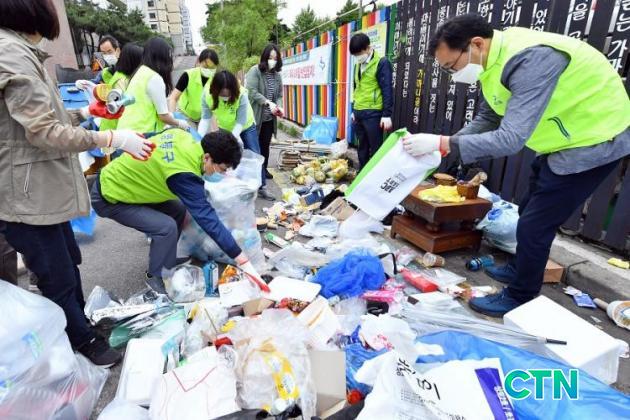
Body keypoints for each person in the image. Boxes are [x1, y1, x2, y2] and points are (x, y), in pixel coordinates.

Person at [403, 13, 630, 317]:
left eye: (451, 66)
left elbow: (510, 139)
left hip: (594, 140)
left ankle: (521, 295)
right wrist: (446, 145)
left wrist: (442, 142)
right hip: (562, 139)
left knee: (537, 223)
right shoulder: (491, 62)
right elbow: (489, 117)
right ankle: (519, 267)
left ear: (476, 44)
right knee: (527, 207)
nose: (453, 74)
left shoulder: (531, 60)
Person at [0, 0, 154, 367]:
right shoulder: (10, 54)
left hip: (42, 190)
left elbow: (45, 118)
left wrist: (86, 112)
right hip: (28, 196)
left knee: (68, 262)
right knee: (56, 275)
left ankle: (78, 326)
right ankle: (79, 340)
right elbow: (45, 132)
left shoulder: (22, 52)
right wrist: (113, 138)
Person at [91, 129, 263, 293]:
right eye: (222, 169)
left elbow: (148, 137)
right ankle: (155, 277)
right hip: (111, 195)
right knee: (166, 228)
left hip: (133, 185)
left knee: (179, 209)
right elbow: (208, 220)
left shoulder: (183, 136)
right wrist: (243, 260)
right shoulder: (183, 174)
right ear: (207, 157)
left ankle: (166, 260)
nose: (222, 174)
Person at [198, 70, 274, 200]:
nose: (225, 97)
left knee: (255, 154)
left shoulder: (241, 93)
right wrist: (198, 140)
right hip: (225, 126)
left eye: (228, 95)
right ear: (216, 91)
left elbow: (240, 122)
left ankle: (262, 187)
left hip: (246, 125)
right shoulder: (207, 94)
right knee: (227, 157)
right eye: (222, 95)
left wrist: (231, 141)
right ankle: (232, 187)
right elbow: (205, 119)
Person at [117, 37, 189, 134]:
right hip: (141, 132)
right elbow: (163, 116)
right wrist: (179, 123)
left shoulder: (140, 71)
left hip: (124, 132)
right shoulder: (154, 77)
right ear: (162, 57)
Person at [349, 32, 394, 169]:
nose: (358, 57)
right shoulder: (358, 65)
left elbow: (387, 89)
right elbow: (357, 88)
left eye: (359, 53)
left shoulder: (381, 63)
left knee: (375, 148)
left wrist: (386, 114)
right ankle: (362, 174)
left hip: (373, 113)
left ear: (368, 48)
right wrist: (353, 110)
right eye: (355, 55)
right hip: (359, 113)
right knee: (361, 147)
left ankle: (375, 175)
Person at [246, 43, 284, 181]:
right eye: (270, 57)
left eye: (275, 58)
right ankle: (253, 172)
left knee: (265, 145)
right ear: (264, 57)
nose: (272, 61)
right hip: (256, 117)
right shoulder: (255, 71)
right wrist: (268, 102)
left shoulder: (277, 76)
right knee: (253, 146)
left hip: (269, 118)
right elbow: (252, 91)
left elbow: (279, 95)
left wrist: (279, 107)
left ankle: (264, 169)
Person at [168, 48, 220, 126]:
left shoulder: (215, 80)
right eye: (206, 66)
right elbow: (173, 98)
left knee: (202, 134)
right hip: (185, 115)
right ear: (199, 62)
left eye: (212, 68)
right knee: (192, 133)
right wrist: (172, 119)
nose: (209, 69)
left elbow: (214, 106)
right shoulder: (188, 75)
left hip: (203, 117)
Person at [99, 42, 143, 131]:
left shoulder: (120, 75)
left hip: (112, 128)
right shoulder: (121, 81)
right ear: (135, 62)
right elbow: (128, 108)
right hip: (114, 131)